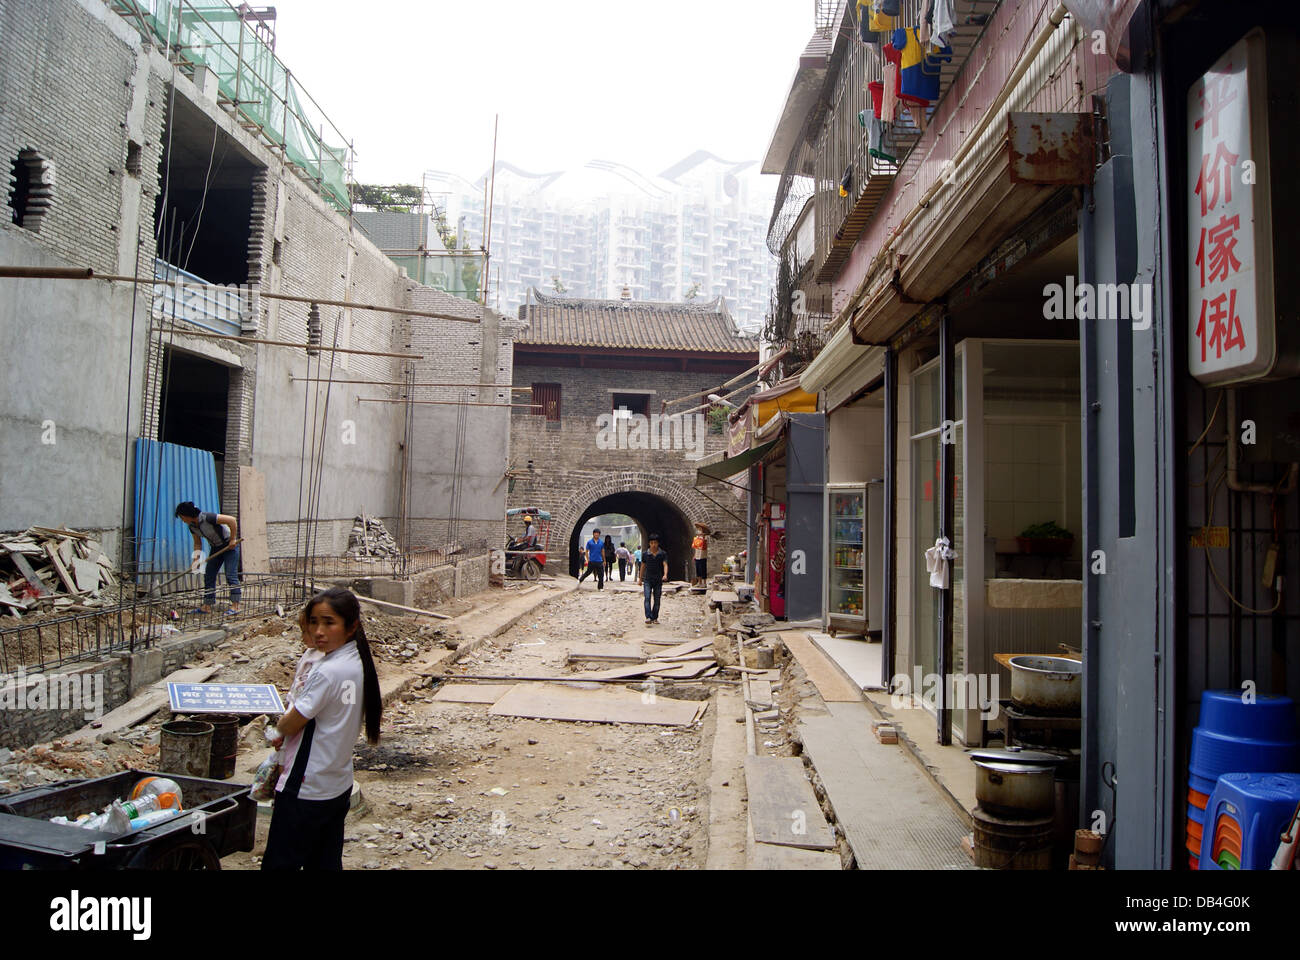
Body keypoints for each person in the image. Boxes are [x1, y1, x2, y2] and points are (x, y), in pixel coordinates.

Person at [262, 588, 382, 870]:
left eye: (329, 623)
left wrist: (281, 725)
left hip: (306, 787)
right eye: (314, 622)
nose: (319, 631)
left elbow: (289, 723)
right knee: (324, 862)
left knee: (281, 862)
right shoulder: (354, 662)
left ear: (351, 626)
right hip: (336, 782)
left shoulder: (328, 672)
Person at [174, 500, 241, 614]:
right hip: (216, 548)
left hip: (229, 547)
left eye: (182, 517)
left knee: (231, 575)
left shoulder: (208, 517)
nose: (182, 520)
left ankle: (235, 606)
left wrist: (233, 539)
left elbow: (232, 520)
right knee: (209, 575)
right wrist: (196, 560)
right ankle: (207, 606)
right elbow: (197, 543)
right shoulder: (192, 527)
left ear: (187, 515)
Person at [638, 533, 668, 625]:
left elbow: (665, 564)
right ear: (649, 544)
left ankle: (655, 617)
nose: (653, 545)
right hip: (647, 579)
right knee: (647, 598)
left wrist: (665, 574)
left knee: (657, 599)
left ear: (658, 543)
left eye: (655, 543)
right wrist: (640, 579)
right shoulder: (645, 554)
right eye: (651, 543)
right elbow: (642, 566)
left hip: (658, 579)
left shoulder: (662, 554)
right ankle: (648, 616)